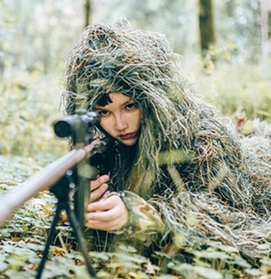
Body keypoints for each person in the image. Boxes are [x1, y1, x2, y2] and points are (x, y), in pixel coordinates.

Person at [60, 18, 271, 264]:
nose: (119, 125)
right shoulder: (101, 146)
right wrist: (79, 206)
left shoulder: (203, 137)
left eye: (130, 106)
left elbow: (224, 217)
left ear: (152, 102)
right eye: (104, 112)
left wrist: (140, 214)